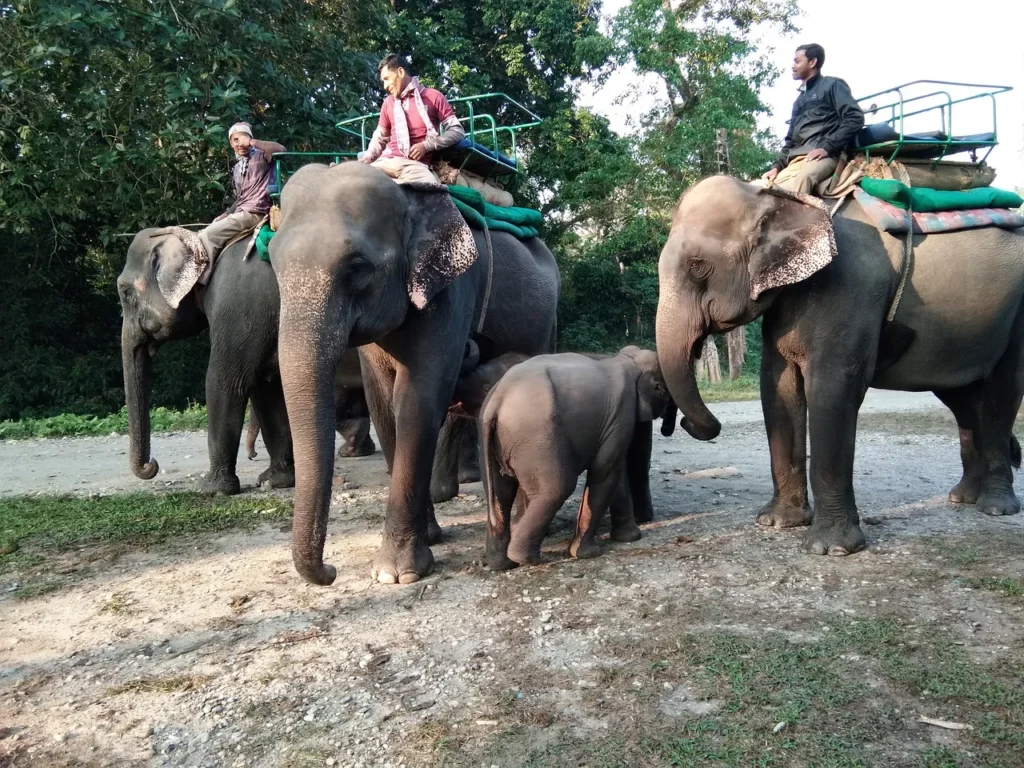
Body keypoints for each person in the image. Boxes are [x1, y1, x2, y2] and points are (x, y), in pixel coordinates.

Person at [761, 44, 864, 195]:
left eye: (797, 61)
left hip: (825, 157)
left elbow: (855, 117)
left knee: (804, 179)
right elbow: (790, 141)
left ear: (812, 62)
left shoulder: (832, 85)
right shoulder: (798, 101)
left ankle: (799, 219)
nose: (793, 66)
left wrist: (826, 147)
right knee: (760, 186)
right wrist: (776, 166)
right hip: (795, 161)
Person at [359, 54, 465, 184]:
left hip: (414, 166)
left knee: (433, 193)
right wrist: (368, 156)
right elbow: (380, 137)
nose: (385, 86)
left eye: (387, 79)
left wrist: (426, 146)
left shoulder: (433, 96)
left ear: (401, 72)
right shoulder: (388, 102)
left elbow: (457, 130)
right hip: (385, 162)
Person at [197, 122, 285, 269]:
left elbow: (281, 150)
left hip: (256, 212)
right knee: (212, 225)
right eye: (235, 140)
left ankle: (202, 276)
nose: (239, 144)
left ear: (250, 138)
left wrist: (251, 142)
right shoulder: (237, 168)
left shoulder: (262, 154)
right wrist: (225, 214)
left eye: (242, 139)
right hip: (241, 212)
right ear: (231, 143)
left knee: (208, 235)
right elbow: (241, 199)